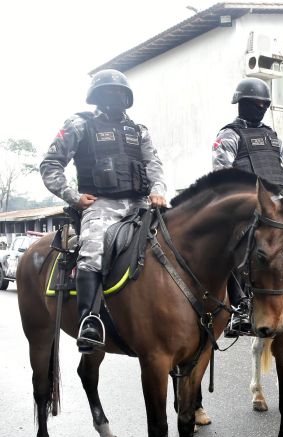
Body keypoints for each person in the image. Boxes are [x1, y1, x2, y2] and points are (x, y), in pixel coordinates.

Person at [40, 69, 167, 353]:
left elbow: (154, 164)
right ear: (96, 97)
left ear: (127, 97)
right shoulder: (79, 124)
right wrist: (73, 197)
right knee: (92, 250)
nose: (115, 97)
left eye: (120, 93)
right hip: (101, 205)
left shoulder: (139, 131)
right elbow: (51, 164)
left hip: (141, 203)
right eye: (108, 92)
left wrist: (158, 189)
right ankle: (90, 320)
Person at [212, 77, 283, 337]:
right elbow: (222, 176)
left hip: (278, 209)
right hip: (245, 208)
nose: (259, 107)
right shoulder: (229, 135)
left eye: (264, 104)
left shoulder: (274, 138)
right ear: (241, 103)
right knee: (229, 244)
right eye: (254, 103)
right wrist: (248, 202)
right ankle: (238, 307)